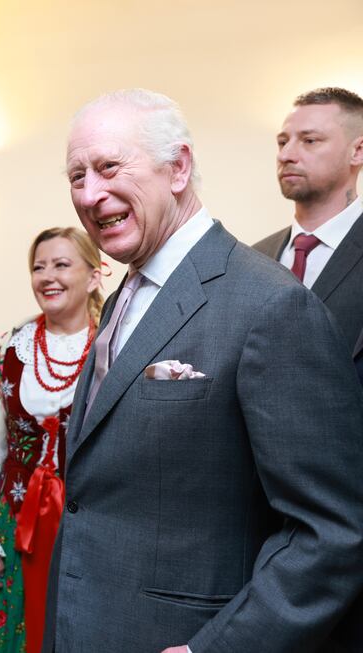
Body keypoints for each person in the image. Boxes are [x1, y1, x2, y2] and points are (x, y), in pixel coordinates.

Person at [43, 88, 363, 653]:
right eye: (77, 176)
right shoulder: (124, 294)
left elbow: (330, 532)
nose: (91, 194)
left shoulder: (270, 306)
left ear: (178, 167)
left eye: (109, 167)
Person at [254, 86, 363, 652]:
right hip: (251, 540)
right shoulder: (251, 259)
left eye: (310, 140)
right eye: (282, 141)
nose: (288, 152)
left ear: (357, 151)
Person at [0, 227, 102, 653]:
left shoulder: (115, 346)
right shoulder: (9, 347)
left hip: (91, 524)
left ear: (95, 276)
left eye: (62, 264)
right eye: (38, 267)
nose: (47, 276)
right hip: (16, 520)